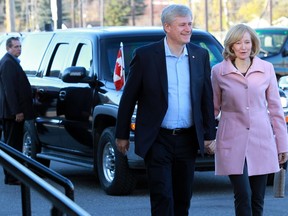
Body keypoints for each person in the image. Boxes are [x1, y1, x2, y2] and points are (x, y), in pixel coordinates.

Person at [115, 4, 216, 216]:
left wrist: (209, 135)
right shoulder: (146, 56)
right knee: (162, 197)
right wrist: (122, 134)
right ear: (167, 27)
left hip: (187, 140)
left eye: (189, 24)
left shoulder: (200, 55)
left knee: (182, 198)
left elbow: (206, 98)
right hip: (158, 139)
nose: (188, 29)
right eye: (182, 25)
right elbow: (128, 98)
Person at [211, 23, 288, 216]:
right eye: (238, 43)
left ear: (253, 44)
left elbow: (276, 109)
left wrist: (283, 144)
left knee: (257, 197)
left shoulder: (267, 69)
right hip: (231, 140)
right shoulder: (219, 72)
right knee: (243, 194)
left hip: (261, 140)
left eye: (247, 42)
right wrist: (207, 136)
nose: (243, 47)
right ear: (231, 45)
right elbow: (212, 108)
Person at [0, 37, 34, 185]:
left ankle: (13, 175)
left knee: (13, 144)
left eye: (20, 46)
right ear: (8, 48)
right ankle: (11, 176)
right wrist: (17, 112)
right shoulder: (8, 63)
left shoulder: (12, 62)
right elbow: (10, 91)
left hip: (12, 112)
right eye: (15, 47)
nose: (19, 49)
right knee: (12, 145)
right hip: (11, 114)